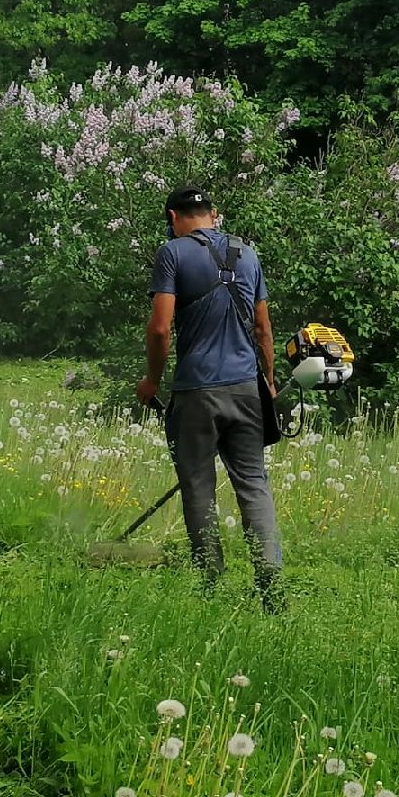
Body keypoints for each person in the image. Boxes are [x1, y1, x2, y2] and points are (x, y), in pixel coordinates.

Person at [136, 184, 284, 611]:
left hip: (197, 391)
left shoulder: (173, 253)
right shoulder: (249, 254)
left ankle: (210, 580)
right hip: (246, 390)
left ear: (173, 216)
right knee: (254, 485)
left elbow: (161, 328)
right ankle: (269, 581)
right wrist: (268, 381)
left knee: (199, 486)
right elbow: (263, 328)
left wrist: (151, 380)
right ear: (213, 214)